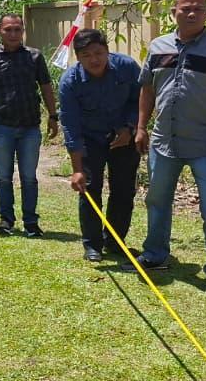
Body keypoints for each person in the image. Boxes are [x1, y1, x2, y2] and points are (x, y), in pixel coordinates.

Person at [131, 0, 206, 301]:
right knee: (157, 200)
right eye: (185, 8)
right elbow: (147, 91)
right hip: (162, 142)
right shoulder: (158, 47)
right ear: (174, 13)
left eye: (198, 8)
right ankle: (155, 254)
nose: (191, 13)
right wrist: (141, 127)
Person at [58, 29, 143, 262]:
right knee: (90, 189)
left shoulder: (127, 67)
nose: (94, 60)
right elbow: (71, 127)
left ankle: (116, 242)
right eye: (86, 55)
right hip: (89, 140)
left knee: (124, 190)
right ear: (77, 57)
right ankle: (92, 245)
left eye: (98, 53)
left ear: (108, 51)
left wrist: (130, 127)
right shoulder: (69, 82)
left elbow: (141, 99)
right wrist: (76, 169)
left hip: (123, 137)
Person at [0, 13, 59, 237]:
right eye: (8, 29)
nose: (13, 34)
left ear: (23, 32)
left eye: (17, 29)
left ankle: (31, 222)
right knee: (3, 176)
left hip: (30, 126)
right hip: (2, 126)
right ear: (0, 31)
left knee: (29, 177)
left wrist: (53, 115)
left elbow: (46, 87)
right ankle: (6, 220)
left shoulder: (34, 57)